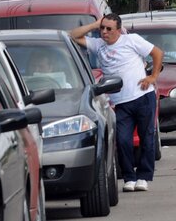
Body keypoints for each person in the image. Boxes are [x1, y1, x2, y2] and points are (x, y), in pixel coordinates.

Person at [70, 13, 163, 192]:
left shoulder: (131, 40)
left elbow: (157, 53)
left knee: (147, 138)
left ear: (118, 31)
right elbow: (72, 36)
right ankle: (129, 177)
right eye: (102, 29)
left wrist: (153, 76)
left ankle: (144, 176)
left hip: (142, 97)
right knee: (123, 141)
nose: (104, 32)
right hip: (120, 103)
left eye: (109, 29)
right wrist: (94, 24)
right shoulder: (98, 45)